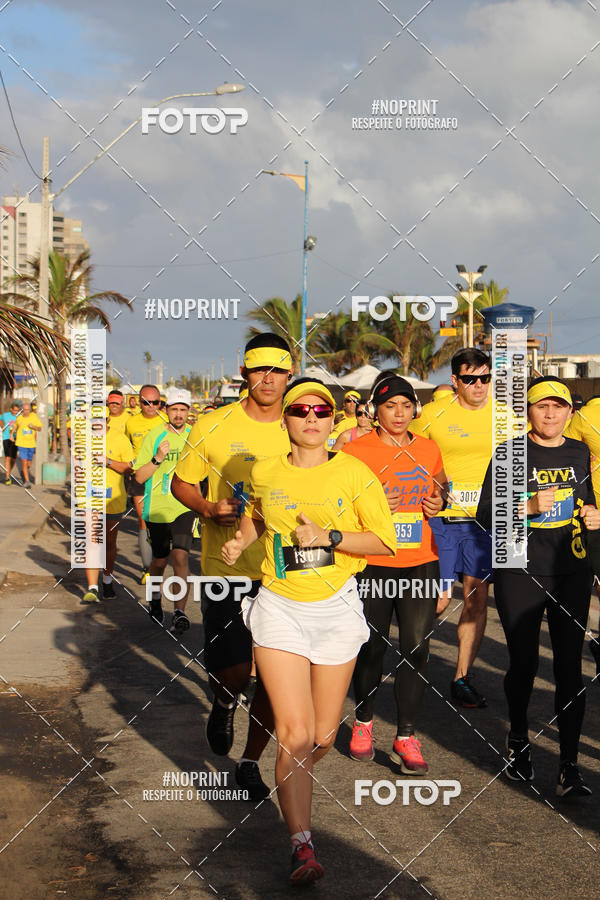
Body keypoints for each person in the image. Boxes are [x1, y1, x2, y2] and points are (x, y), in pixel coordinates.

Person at [221, 378, 396, 883]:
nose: (313, 417)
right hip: (279, 608)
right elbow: (260, 514)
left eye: (321, 409)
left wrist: (331, 536)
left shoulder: (354, 472)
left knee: (320, 735)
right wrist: (240, 542)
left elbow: (384, 542)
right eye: (301, 409)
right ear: (286, 419)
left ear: (332, 417)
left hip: (337, 609)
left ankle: (291, 779)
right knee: (294, 735)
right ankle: (302, 845)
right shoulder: (267, 470)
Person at [172, 333, 293, 801]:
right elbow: (182, 483)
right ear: (244, 374)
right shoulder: (213, 424)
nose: (269, 379)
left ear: (288, 375)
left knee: (274, 673)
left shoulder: (302, 421)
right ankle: (224, 700)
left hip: (287, 572)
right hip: (227, 567)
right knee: (236, 669)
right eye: (259, 370)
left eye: (278, 371)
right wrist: (205, 507)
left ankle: (249, 761)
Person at [478, 377, 600, 796]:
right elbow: (486, 514)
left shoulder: (580, 451)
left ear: (570, 412)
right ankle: (517, 743)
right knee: (525, 664)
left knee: (570, 668)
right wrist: (526, 506)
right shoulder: (511, 453)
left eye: (558, 407)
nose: (550, 414)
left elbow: (587, 502)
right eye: (541, 407)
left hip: (571, 571)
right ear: (527, 411)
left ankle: (569, 766)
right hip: (520, 569)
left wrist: (593, 515)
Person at [343, 374, 447, 773]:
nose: (399, 413)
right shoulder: (356, 450)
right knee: (372, 646)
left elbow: (440, 486)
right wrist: (368, 504)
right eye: (391, 406)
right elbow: (340, 504)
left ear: (414, 409)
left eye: (406, 405)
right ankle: (364, 723)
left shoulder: (429, 447)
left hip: (420, 561)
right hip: (374, 562)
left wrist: (438, 500)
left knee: (417, 648)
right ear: (376, 410)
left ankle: (405, 736)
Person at [412, 348, 494, 708]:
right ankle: (415, 660)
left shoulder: (506, 417)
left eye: (485, 378)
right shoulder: (432, 414)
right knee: (439, 599)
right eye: (471, 379)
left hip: (483, 524)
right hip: (440, 521)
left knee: (476, 599)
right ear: (455, 382)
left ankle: (461, 677)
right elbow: (406, 451)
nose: (479, 385)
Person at [134, 388, 195, 635]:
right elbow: (139, 476)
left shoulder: (195, 437)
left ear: (189, 412)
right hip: (157, 508)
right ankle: (155, 599)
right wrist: (158, 458)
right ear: (166, 410)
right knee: (159, 560)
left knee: (180, 557)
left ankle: (179, 611)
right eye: (174, 409)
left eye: (182, 410)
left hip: (184, 506)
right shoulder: (154, 435)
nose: (178, 414)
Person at [81, 406, 134, 603]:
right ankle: (92, 588)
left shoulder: (120, 439)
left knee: (109, 543)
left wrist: (109, 462)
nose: (97, 423)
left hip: (113, 500)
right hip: (90, 499)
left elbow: (130, 468)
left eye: (101, 420)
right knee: (92, 542)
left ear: (107, 420)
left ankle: (107, 580)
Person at [125, 385, 166, 582]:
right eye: (146, 402)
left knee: (164, 523)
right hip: (140, 477)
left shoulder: (167, 421)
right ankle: (146, 569)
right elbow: (125, 448)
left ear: (161, 402)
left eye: (155, 402)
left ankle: (159, 561)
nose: (151, 406)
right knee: (143, 520)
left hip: (164, 478)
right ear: (139, 402)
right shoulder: (130, 423)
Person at [13, 400, 42, 488]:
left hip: (31, 444)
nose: (26, 411)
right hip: (21, 443)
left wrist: (34, 427)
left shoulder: (34, 417)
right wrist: (11, 434)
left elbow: (40, 428)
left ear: (30, 410)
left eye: (28, 410)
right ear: (22, 410)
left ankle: (23, 472)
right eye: (25, 410)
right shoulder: (19, 418)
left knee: (29, 463)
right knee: (24, 462)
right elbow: (15, 426)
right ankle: (27, 481)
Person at [1, 402, 20, 484]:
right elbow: (0, 420)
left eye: (17, 410)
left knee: (13, 459)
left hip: (16, 438)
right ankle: (7, 477)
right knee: (7, 457)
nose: (16, 412)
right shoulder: (5, 415)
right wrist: (2, 426)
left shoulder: (20, 416)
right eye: (14, 410)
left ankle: (8, 472)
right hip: (7, 438)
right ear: (11, 409)